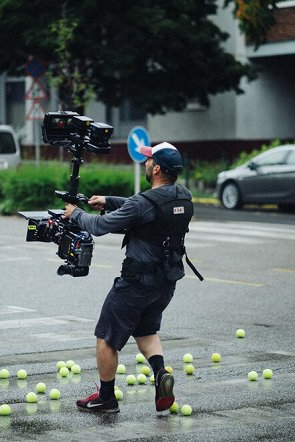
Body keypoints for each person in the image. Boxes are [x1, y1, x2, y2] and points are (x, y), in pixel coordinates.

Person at [63, 142, 198, 413]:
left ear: (157, 168)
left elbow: (100, 226)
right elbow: (146, 208)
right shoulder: (184, 197)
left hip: (136, 283)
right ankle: (161, 375)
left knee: (105, 337)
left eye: (149, 161)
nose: (145, 163)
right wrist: (110, 201)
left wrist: (76, 214)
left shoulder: (144, 203)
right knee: (146, 330)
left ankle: (106, 398)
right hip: (165, 283)